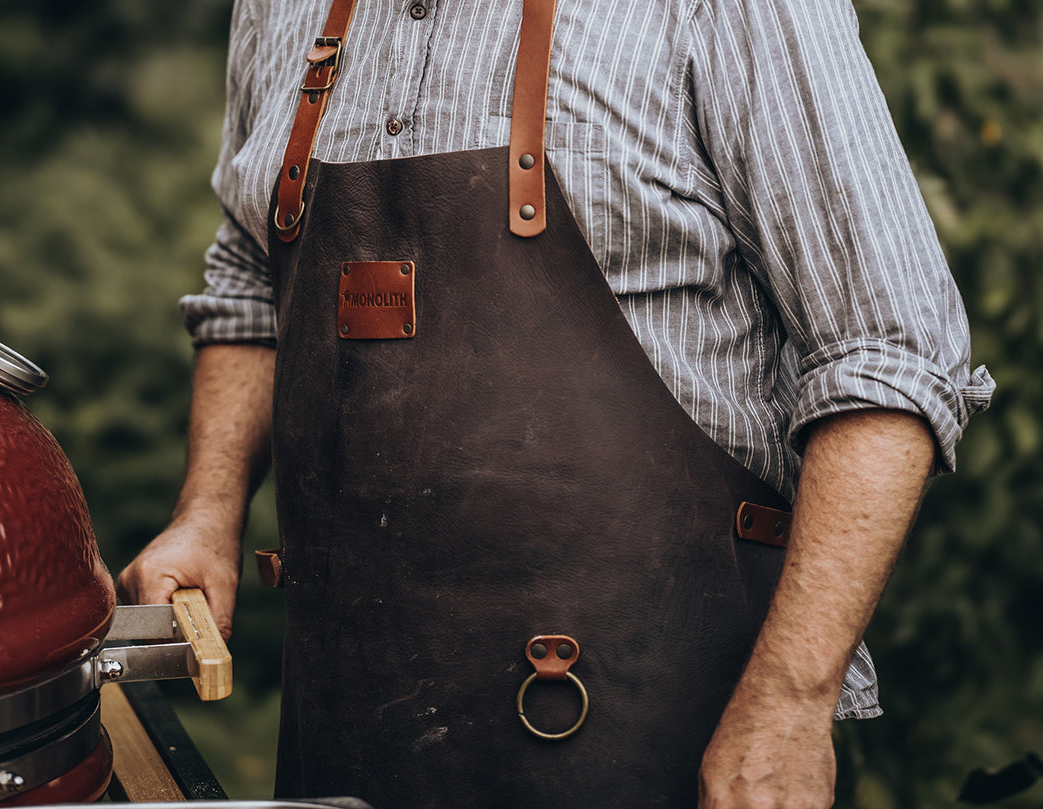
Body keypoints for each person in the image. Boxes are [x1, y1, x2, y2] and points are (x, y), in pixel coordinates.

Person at [118, 0, 994, 807]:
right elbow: (249, 276)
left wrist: (789, 703)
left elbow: (890, 352)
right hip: (346, 736)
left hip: (664, 738)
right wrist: (208, 511)